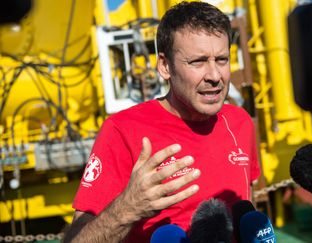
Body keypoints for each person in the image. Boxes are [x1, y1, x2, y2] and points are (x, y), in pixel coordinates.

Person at [63, 2, 260, 242]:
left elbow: (248, 205)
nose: (214, 76)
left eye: (221, 59)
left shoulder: (239, 122)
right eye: (197, 61)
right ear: (165, 66)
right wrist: (128, 208)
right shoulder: (122, 130)